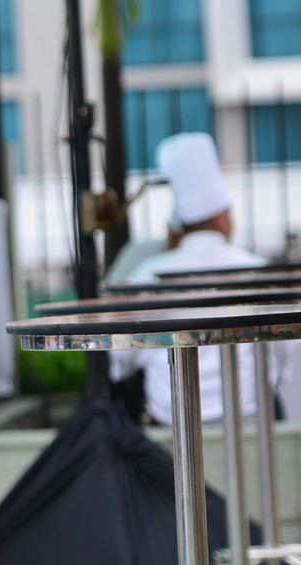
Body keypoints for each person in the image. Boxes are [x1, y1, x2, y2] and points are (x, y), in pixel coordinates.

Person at [109, 130, 266, 422]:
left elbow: (121, 359)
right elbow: (281, 352)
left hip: (169, 417)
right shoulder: (257, 268)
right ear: (222, 218)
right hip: (250, 413)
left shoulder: (147, 274)